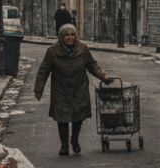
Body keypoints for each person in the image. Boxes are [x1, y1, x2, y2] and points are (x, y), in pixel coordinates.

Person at [35, 24, 114, 155]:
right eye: (66, 35)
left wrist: (103, 76)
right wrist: (39, 89)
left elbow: (92, 65)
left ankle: (75, 140)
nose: (69, 37)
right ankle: (64, 145)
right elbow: (43, 71)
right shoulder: (52, 51)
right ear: (60, 37)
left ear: (76, 36)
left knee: (78, 116)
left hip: (79, 87)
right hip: (60, 89)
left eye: (72, 34)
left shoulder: (83, 49)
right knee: (62, 118)